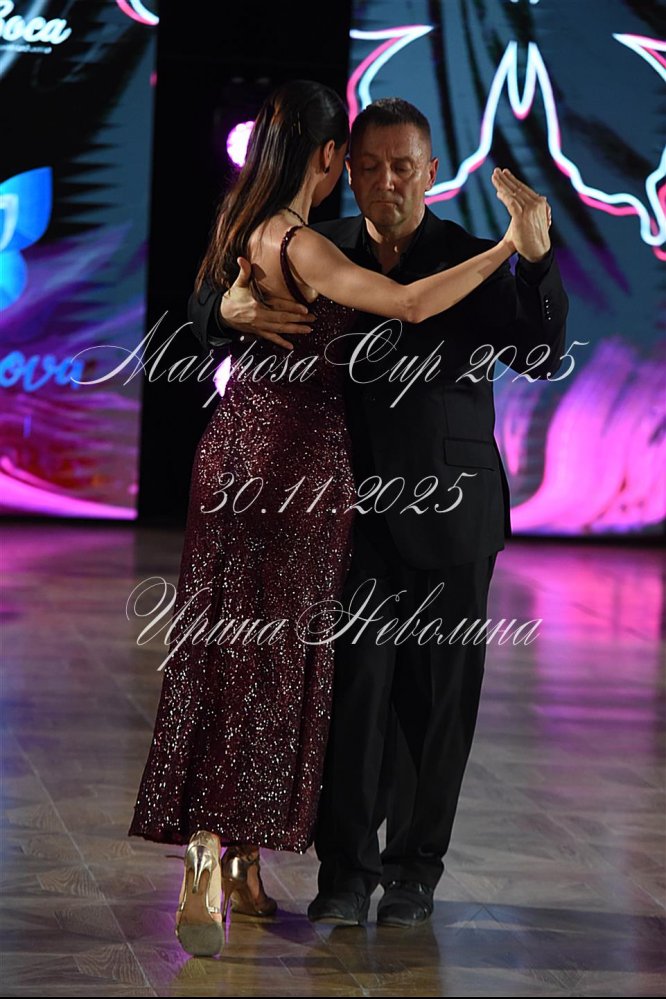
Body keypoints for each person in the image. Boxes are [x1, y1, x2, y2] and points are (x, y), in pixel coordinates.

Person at [127, 81, 520, 956]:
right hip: (298, 473)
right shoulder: (309, 240)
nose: (380, 179)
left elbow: (210, 299)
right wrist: (508, 246)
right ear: (334, 158)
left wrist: (225, 309)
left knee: (236, 650)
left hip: (248, 458)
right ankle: (232, 847)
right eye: (363, 160)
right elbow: (405, 305)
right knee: (281, 669)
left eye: (401, 166)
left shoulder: (245, 222)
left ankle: (236, 855)